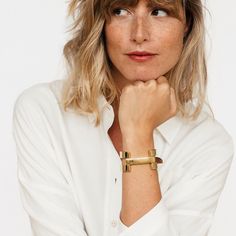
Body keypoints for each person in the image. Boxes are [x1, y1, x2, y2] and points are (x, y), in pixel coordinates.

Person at [12, 0, 234, 235]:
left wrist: (139, 136)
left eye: (158, 12)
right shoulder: (44, 111)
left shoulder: (208, 144)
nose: (139, 34)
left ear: (187, 23)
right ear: (101, 23)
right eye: (120, 11)